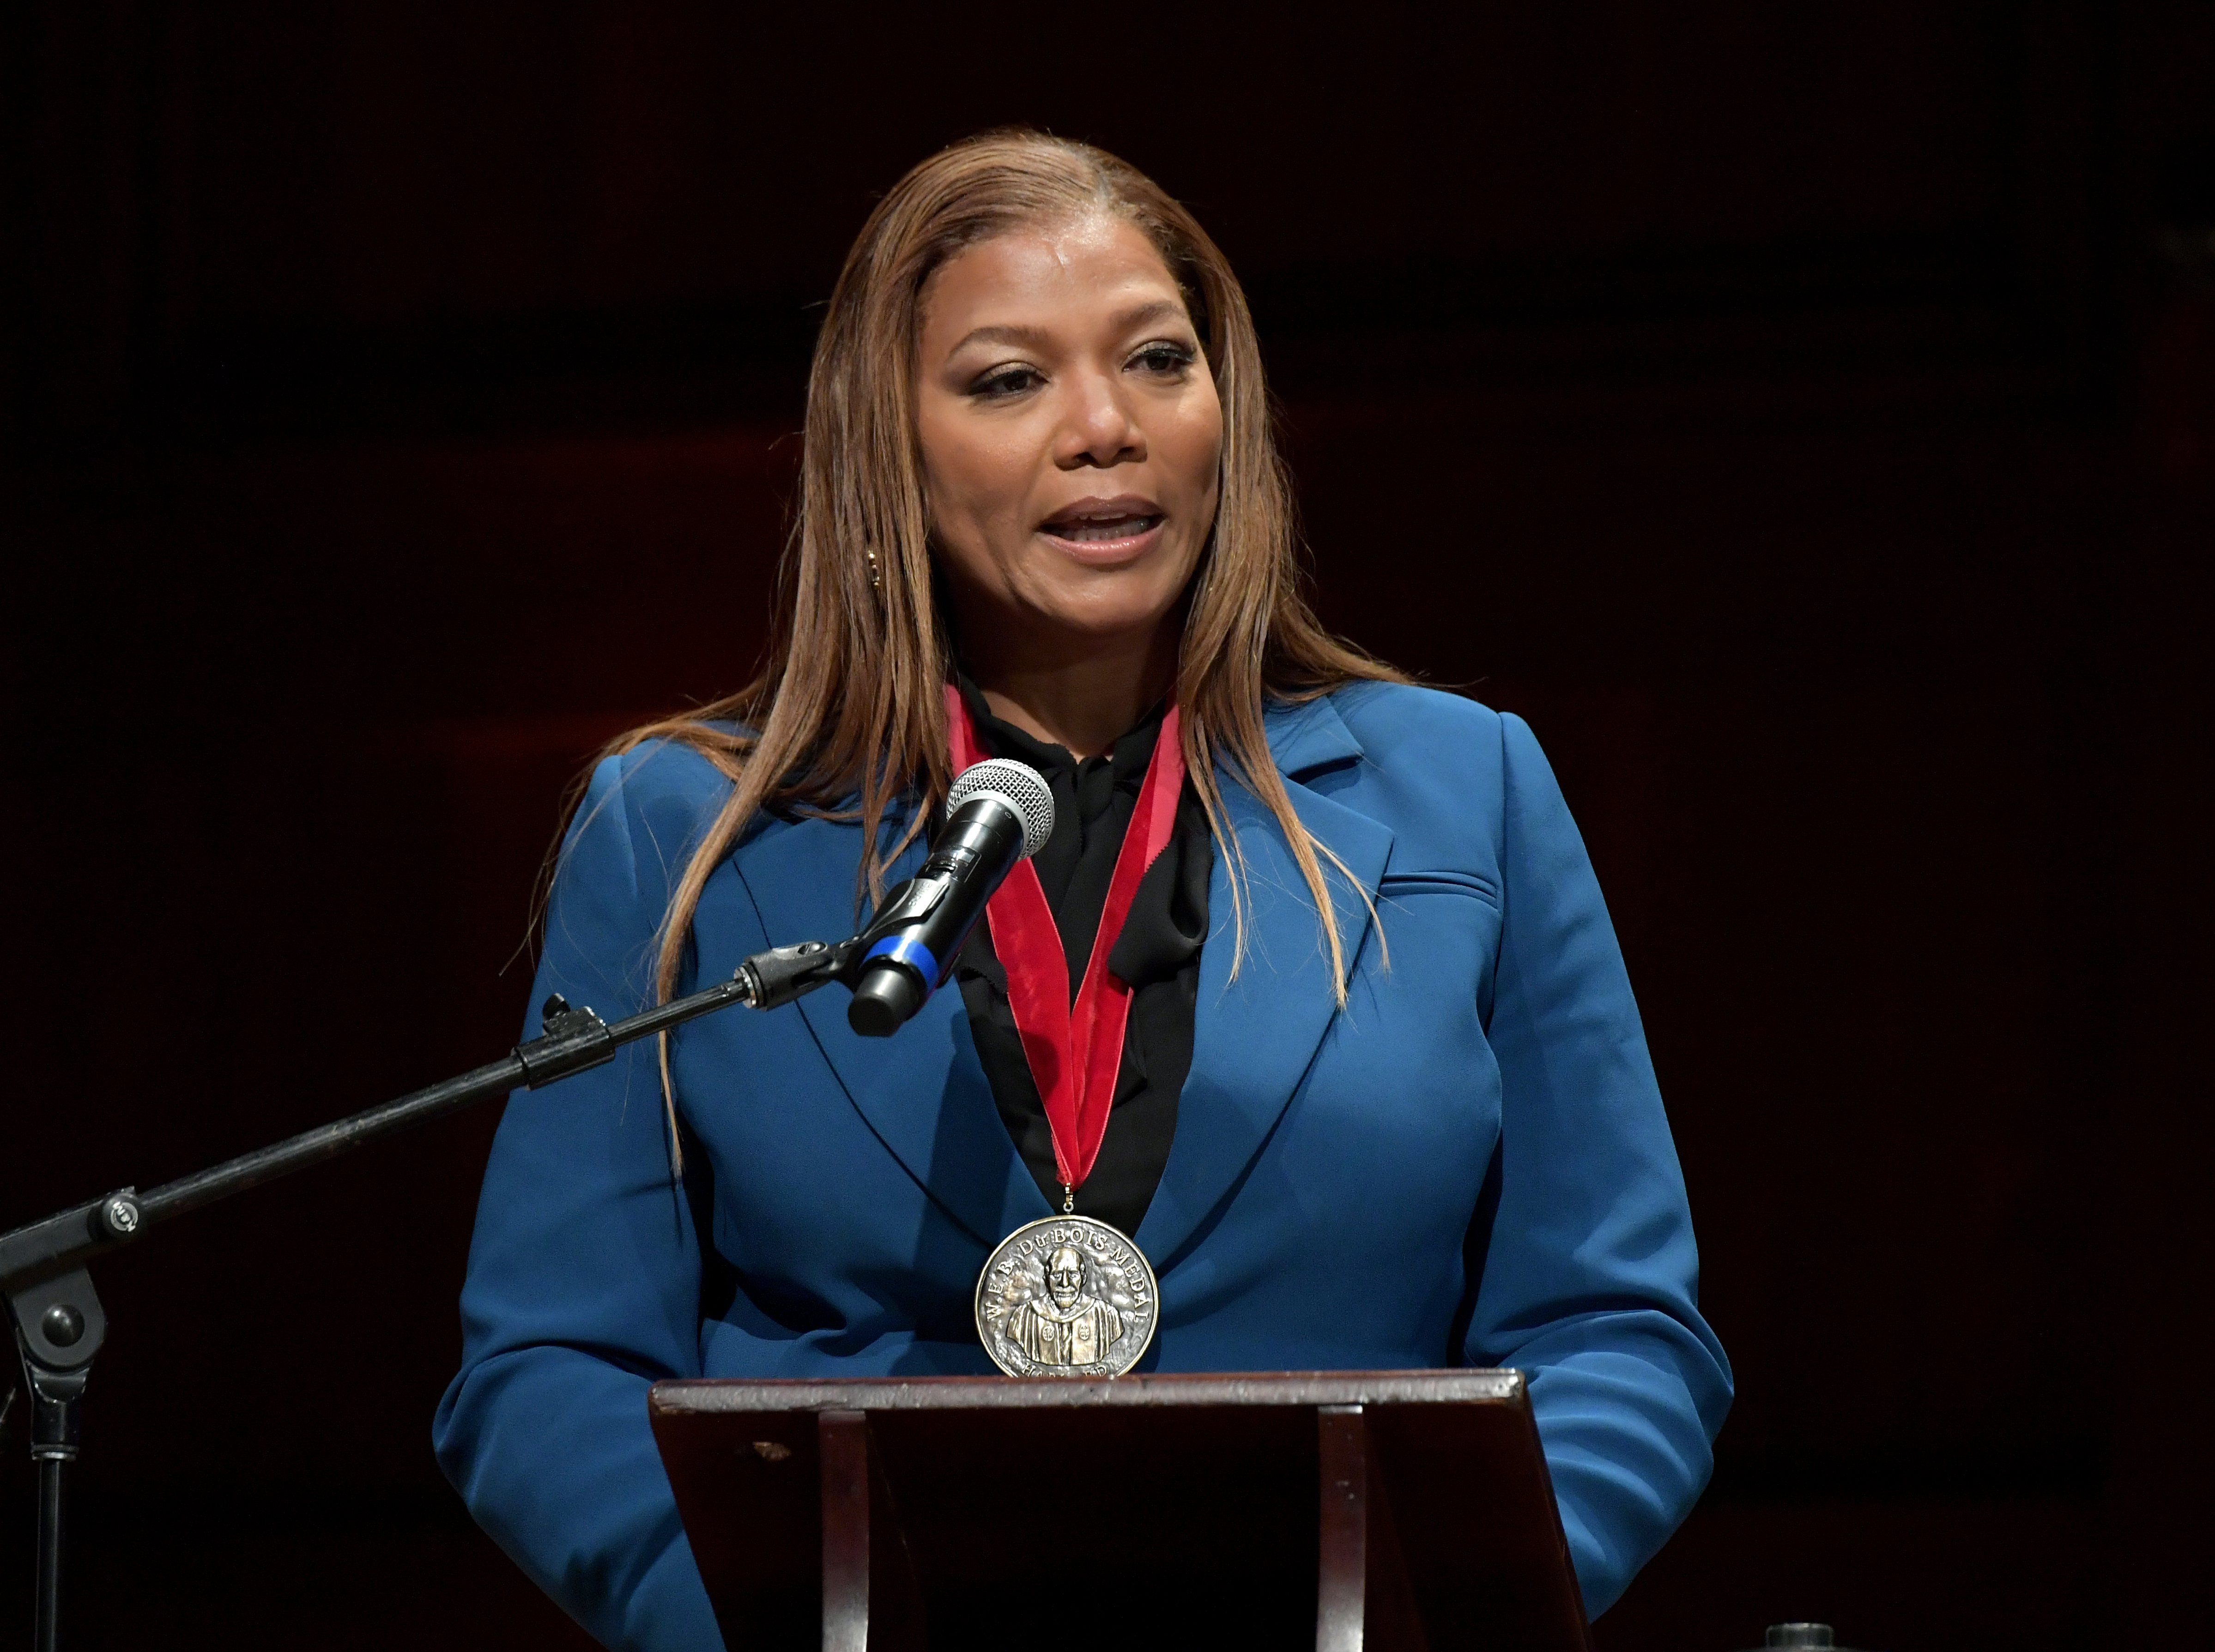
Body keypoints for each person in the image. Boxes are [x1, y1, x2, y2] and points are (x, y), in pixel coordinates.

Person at [433, 128, 1731, 1650]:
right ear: (887, 449)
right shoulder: (682, 832)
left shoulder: (1463, 791)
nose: (1102, 426)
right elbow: (543, 1367)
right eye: (1007, 380)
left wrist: (1448, 1605)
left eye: (1157, 361)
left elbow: (1617, 1330)